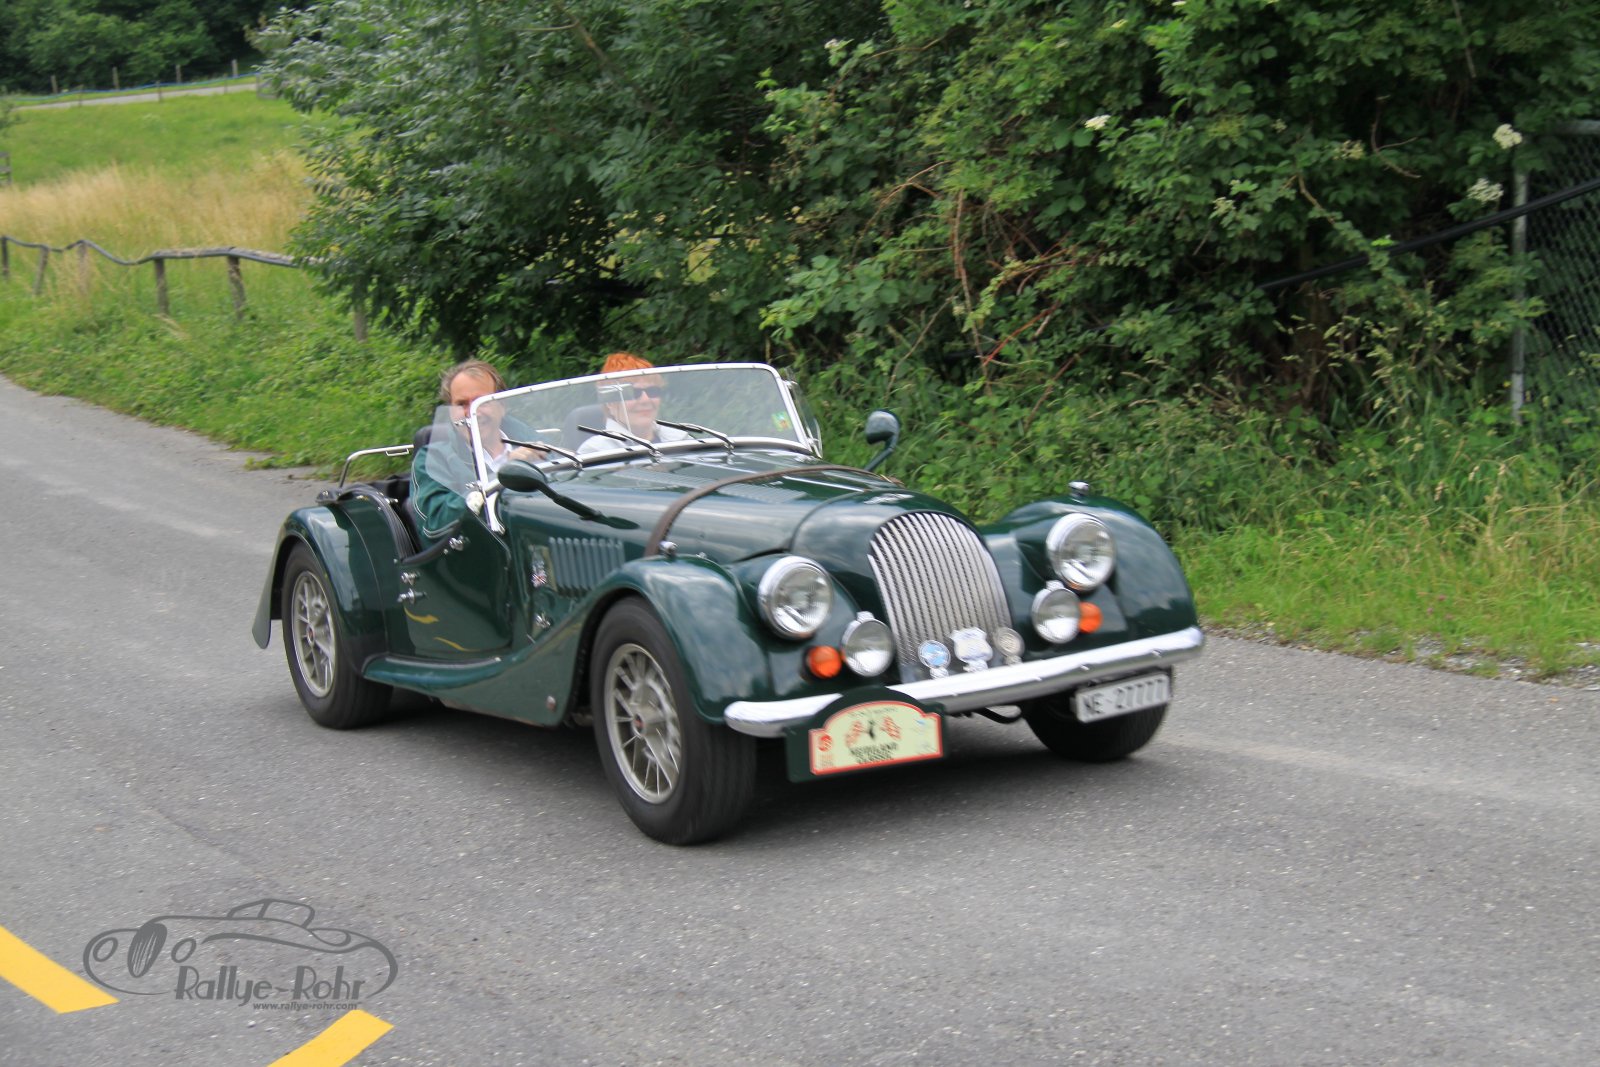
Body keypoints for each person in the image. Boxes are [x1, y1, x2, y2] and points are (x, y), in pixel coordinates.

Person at [411, 359, 540, 541]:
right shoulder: (434, 459)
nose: (472, 412)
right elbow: (434, 524)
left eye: (481, 402)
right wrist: (502, 477)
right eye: (461, 404)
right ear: (450, 411)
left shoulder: (534, 444)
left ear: (502, 406)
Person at [576, 352, 691, 455]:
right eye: (634, 393)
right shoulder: (596, 451)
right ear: (610, 402)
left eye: (652, 391)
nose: (645, 400)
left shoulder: (680, 439)